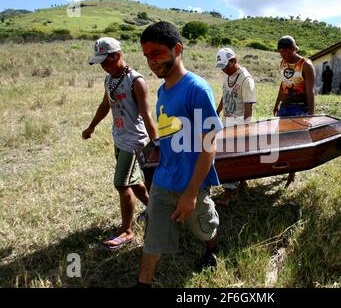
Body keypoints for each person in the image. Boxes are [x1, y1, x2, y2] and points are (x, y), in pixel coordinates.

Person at [136, 22, 223, 287]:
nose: (151, 62)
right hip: (164, 180)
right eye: (147, 56)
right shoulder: (162, 90)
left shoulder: (197, 89)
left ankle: (212, 249)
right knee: (154, 234)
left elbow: (209, 145)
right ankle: (143, 284)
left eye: (157, 53)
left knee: (204, 228)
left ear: (177, 49)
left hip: (191, 183)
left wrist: (190, 193)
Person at [82, 37, 158, 250]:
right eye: (100, 64)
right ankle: (157, 212)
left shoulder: (136, 81)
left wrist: (158, 144)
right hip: (119, 137)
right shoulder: (109, 80)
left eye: (105, 62)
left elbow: (147, 115)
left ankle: (127, 230)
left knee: (121, 184)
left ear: (117, 55)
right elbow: (105, 105)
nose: (103, 67)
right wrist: (91, 127)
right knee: (134, 183)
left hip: (134, 142)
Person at [215, 47, 256, 206]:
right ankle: (242, 181)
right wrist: (217, 111)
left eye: (226, 65)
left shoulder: (246, 80)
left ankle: (229, 192)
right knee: (236, 155)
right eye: (222, 67)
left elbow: (248, 108)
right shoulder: (227, 76)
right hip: (227, 122)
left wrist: (245, 129)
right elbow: (225, 96)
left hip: (239, 124)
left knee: (230, 158)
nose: (224, 70)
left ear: (234, 60)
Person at [273, 36, 316, 187]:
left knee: (295, 142)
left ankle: (292, 174)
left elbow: (311, 92)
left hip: (299, 109)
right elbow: (283, 84)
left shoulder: (305, 65)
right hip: (284, 108)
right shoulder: (283, 63)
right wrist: (277, 103)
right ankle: (284, 166)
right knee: (282, 140)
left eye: (285, 50)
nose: (282, 54)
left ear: (293, 48)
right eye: (280, 51)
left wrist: (311, 116)